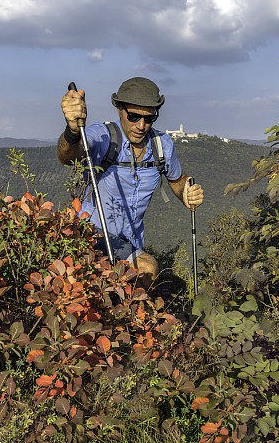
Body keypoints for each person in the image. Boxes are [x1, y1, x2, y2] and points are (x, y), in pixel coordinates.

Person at [58, 77, 204, 288]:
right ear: (119, 109)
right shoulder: (103, 136)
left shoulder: (162, 145)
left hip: (131, 242)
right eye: (134, 116)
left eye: (149, 118)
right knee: (147, 267)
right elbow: (68, 156)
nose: (141, 125)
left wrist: (187, 194)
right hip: (91, 235)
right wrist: (72, 130)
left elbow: (178, 180)